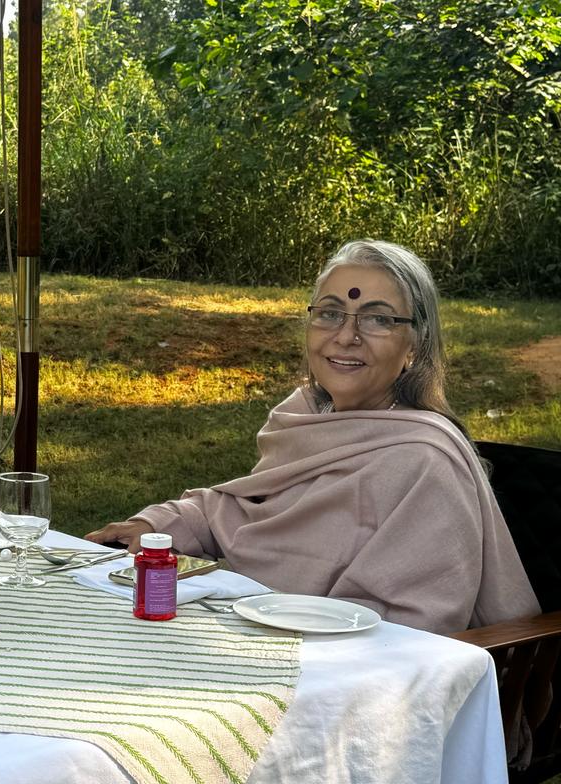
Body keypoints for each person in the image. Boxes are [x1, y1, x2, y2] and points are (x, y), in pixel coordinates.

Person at [86, 239, 539, 635]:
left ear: (415, 347)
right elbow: (245, 511)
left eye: (377, 320)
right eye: (329, 314)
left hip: (346, 680)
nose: (346, 336)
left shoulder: (423, 464)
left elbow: (411, 626)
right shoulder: (302, 417)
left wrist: (253, 625)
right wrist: (158, 527)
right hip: (251, 635)